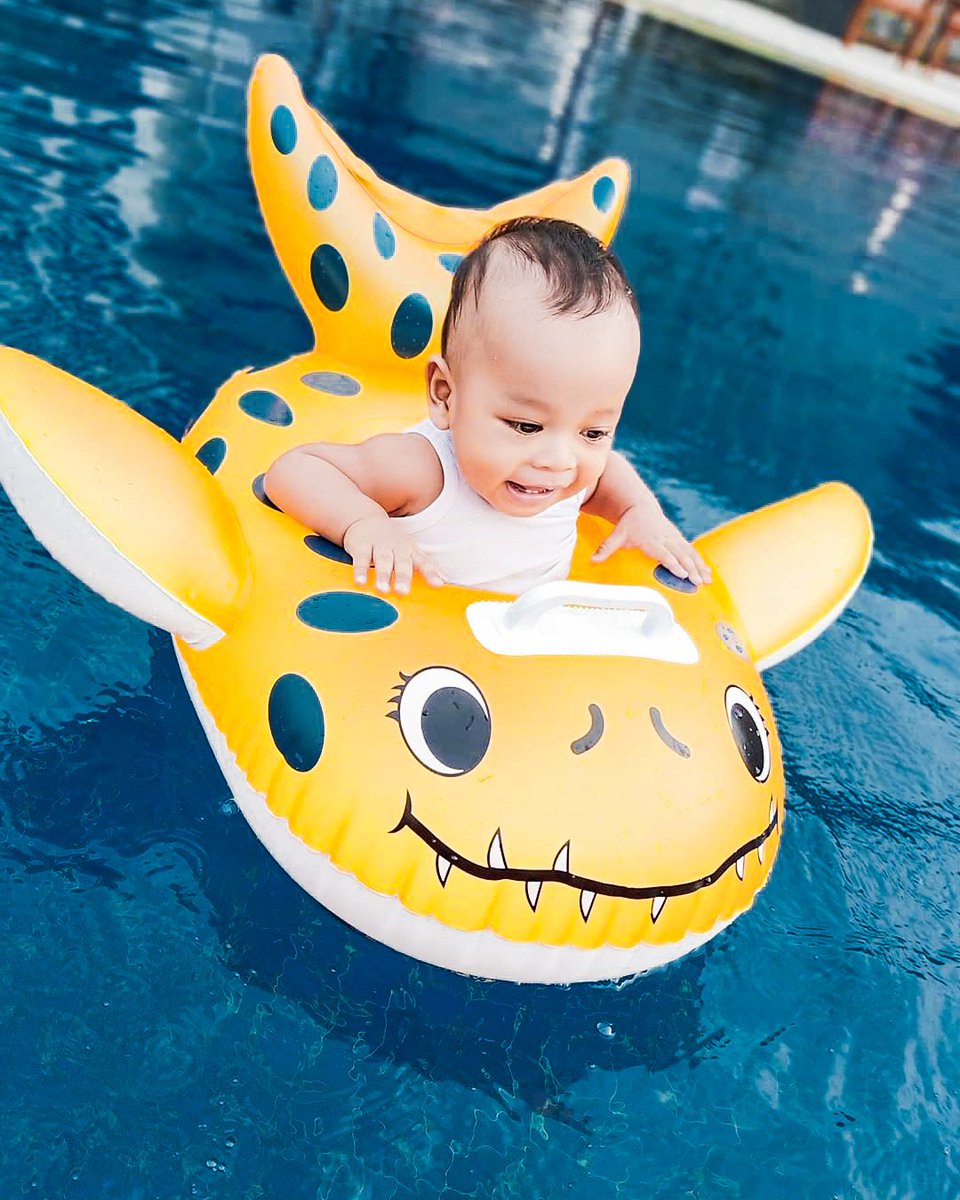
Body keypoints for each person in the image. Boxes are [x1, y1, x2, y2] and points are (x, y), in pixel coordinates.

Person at [264, 217, 711, 595]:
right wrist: (362, 522)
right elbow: (295, 470)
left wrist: (641, 513)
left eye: (593, 432)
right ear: (445, 394)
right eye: (526, 426)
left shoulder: (572, 478)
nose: (558, 461)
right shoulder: (422, 472)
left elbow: (611, 471)